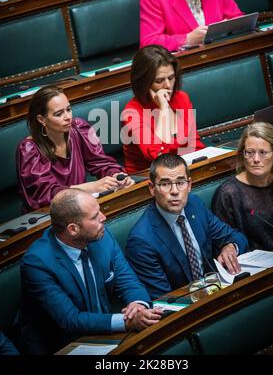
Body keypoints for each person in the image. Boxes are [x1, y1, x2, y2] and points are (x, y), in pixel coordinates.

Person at [17, 188, 162, 354]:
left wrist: (138, 305)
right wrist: (126, 321)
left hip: (106, 337)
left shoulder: (102, 236)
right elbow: (70, 320)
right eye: (95, 217)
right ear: (73, 229)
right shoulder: (37, 263)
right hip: (61, 345)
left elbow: (129, 282)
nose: (103, 217)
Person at [126, 154, 248, 298]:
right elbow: (164, 300)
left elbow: (237, 237)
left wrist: (231, 247)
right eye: (165, 184)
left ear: (189, 185)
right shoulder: (141, 240)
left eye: (180, 182)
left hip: (217, 291)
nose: (175, 191)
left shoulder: (194, 204)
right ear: (152, 188)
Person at [16, 85, 133, 212]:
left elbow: (101, 163)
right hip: (51, 215)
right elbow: (44, 196)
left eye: (68, 109)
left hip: (81, 208)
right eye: (58, 114)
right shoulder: (29, 150)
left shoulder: (78, 129)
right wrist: (92, 187)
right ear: (41, 119)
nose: (68, 117)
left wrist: (116, 176)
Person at [122, 45, 205, 173]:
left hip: (183, 171)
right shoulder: (132, 112)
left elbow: (194, 144)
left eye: (171, 78)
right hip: (149, 179)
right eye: (159, 80)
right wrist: (164, 110)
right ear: (144, 82)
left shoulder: (181, 98)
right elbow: (157, 156)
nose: (167, 85)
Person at [212, 122, 273, 251]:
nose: (256, 159)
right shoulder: (228, 193)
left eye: (263, 153)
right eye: (250, 152)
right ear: (243, 154)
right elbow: (223, 243)